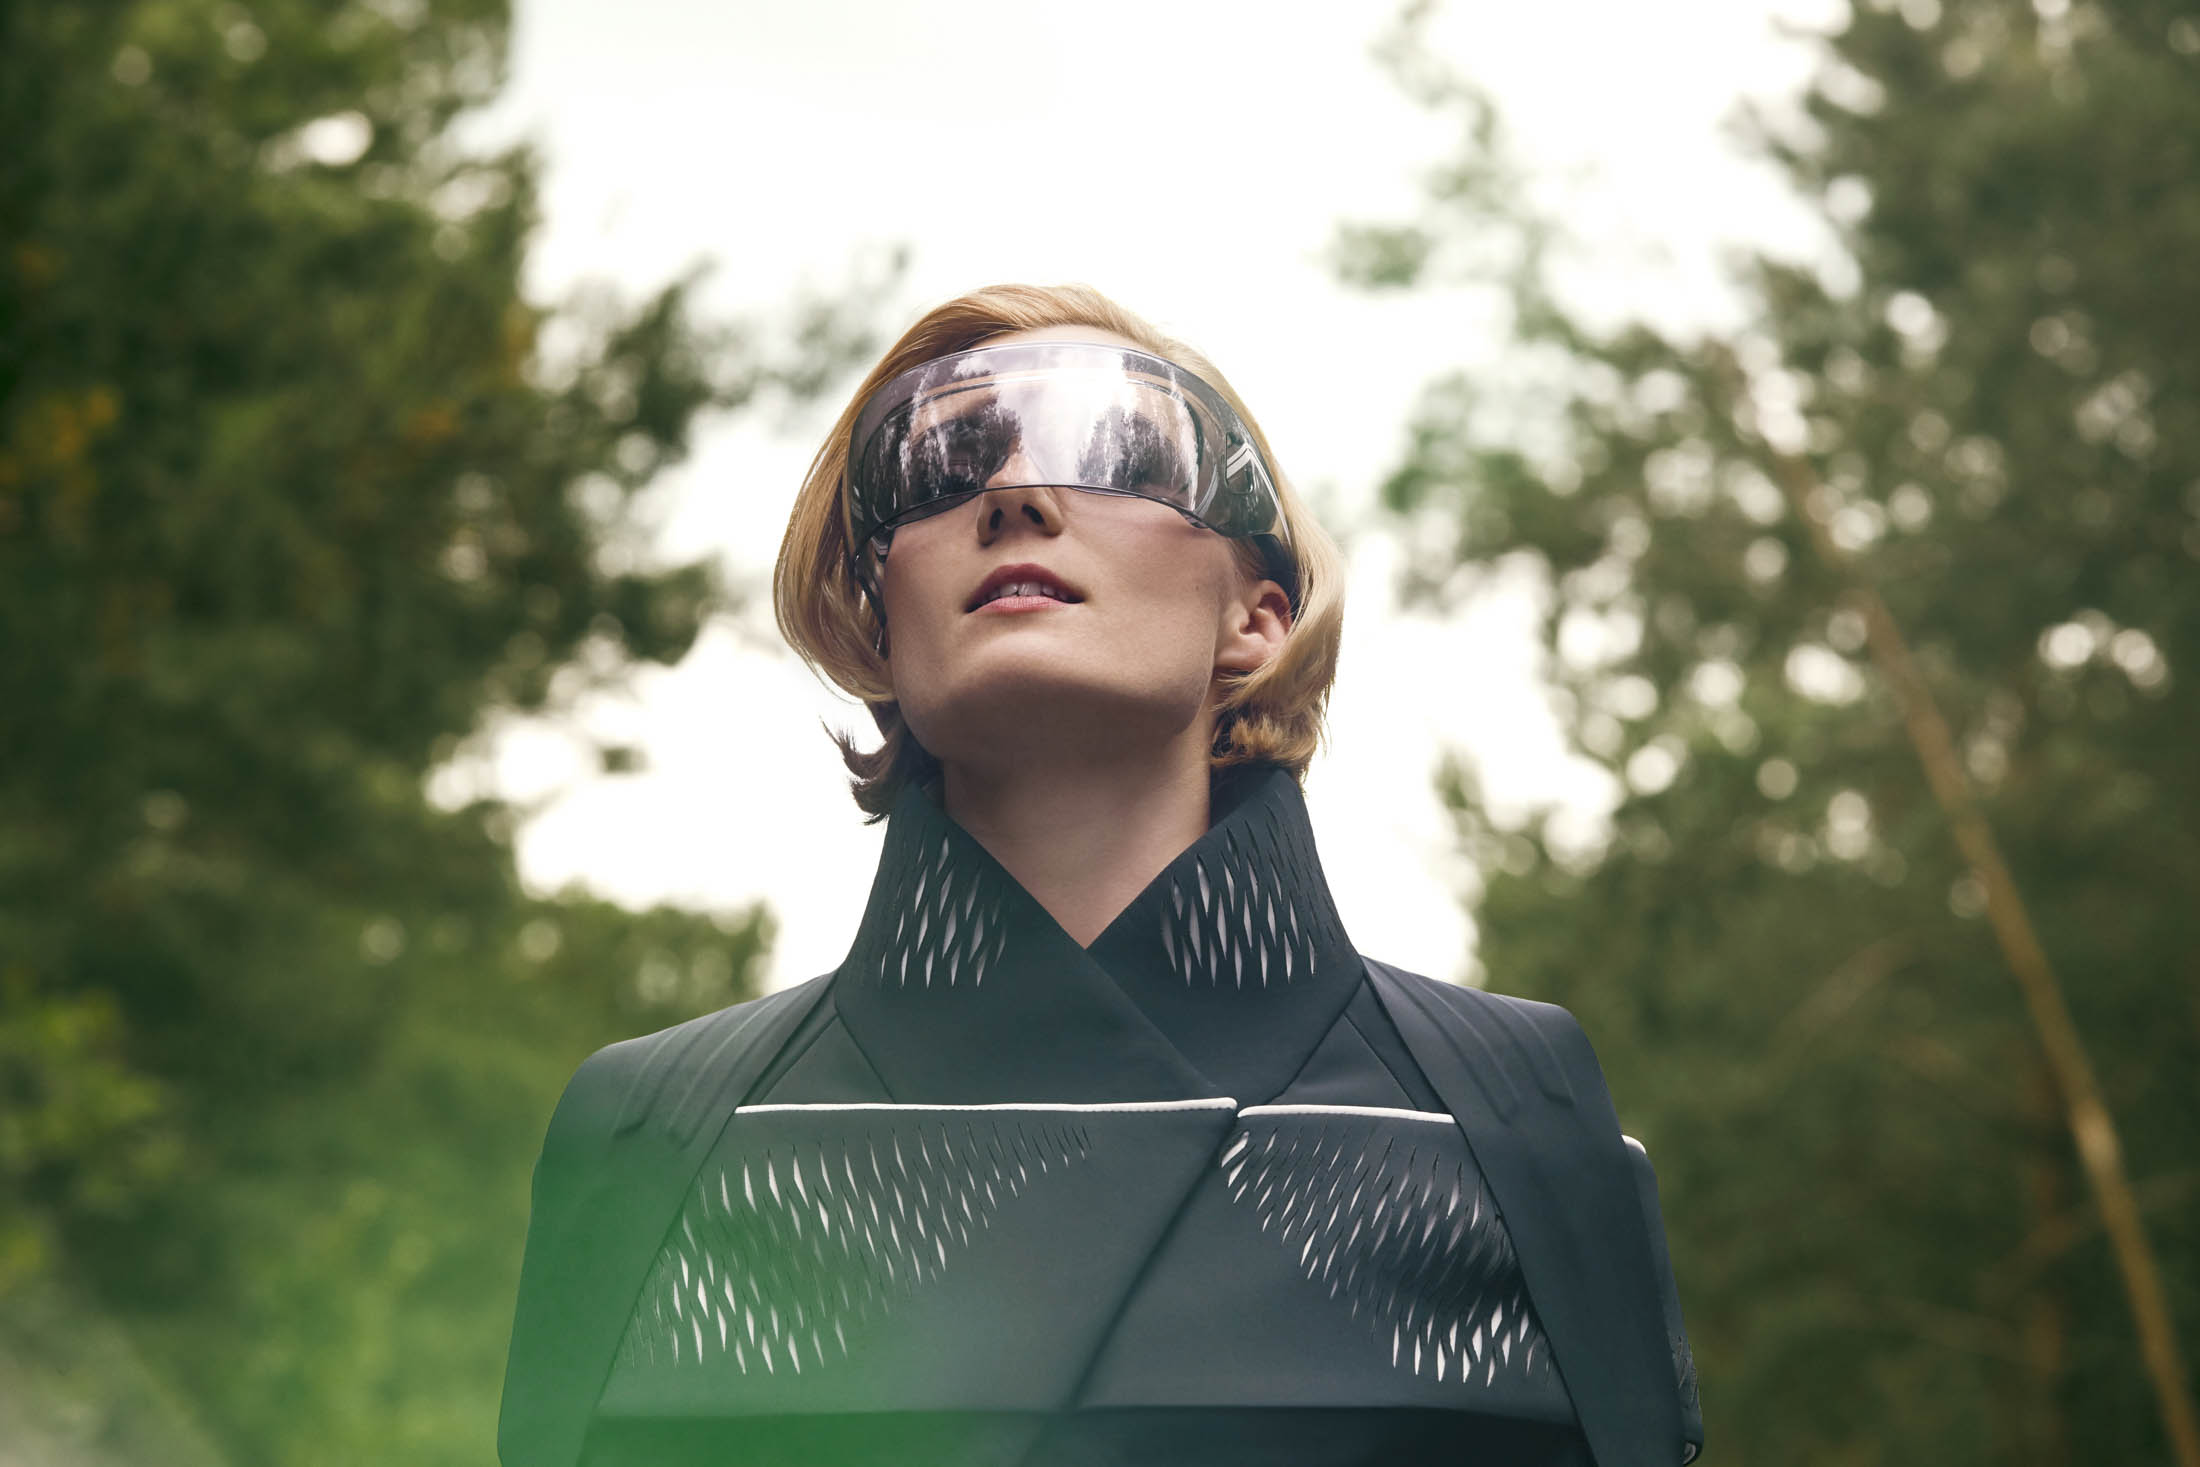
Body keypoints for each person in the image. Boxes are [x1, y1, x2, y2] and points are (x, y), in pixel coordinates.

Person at [498, 284, 1703, 1467]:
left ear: (1257, 618)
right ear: (880, 620)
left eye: (1117, 448)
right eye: (942, 465)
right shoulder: (656, 1134)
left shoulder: (1511, 1112)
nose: (1012, 494)